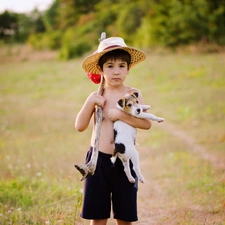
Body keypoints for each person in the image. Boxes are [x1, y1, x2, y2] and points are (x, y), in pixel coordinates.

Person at [75, 37, 152, 225]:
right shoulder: (97, 96)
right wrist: (90, 102)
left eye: (121, 66)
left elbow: (146, 124)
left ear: (128, 68)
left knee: (124, 218)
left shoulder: (133, 94)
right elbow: (80, 126)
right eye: (109, 66)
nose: (116, 71)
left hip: (124, 161)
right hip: (98, 161)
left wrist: (120, 115)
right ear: (100, 70)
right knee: (98, 217)